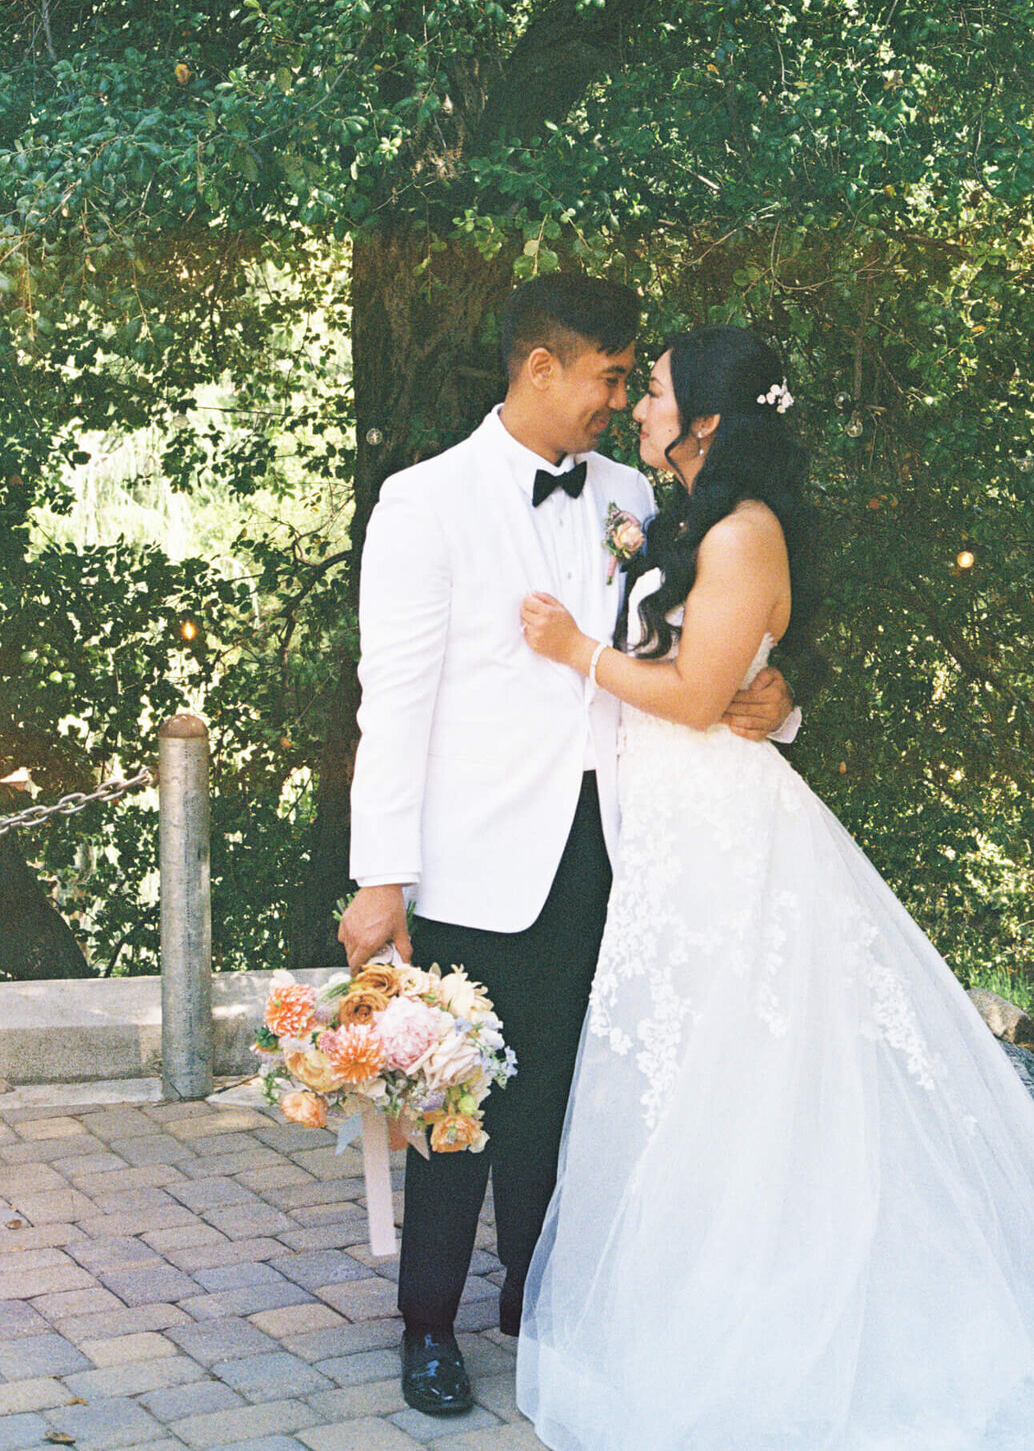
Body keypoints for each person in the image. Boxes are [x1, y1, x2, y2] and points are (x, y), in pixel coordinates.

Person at [516, 325, 1034, 1451]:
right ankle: (698, 1305)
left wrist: (570, 650)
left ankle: (777, 1325)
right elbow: (739, 680)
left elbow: (693, 695)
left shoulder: (743, 532)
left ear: (710, 424)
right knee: (689, 1066)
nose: (640, 408)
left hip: (731, 840)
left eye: (660, 394)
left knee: (748, 1070)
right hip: (677, 839)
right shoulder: (682, 518)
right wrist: (766, 692)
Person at [337, 278, 797, 1418]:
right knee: (462, 1103)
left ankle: (538, 1301)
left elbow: (716, 637)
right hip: (476, 856)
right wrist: (379, 877)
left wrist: (783, 696)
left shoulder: (638, 493)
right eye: (608, 373)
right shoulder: (423, 501)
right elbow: (390, 703)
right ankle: (430, 1325)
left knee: (569, 1097)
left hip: (624, 849)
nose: (618, 394)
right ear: (540, 366)